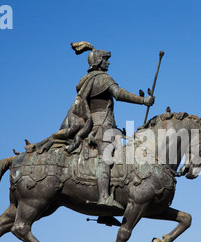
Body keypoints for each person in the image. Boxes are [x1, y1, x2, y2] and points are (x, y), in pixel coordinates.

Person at [29, 42, 154, 210]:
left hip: (99, 126)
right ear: (99, 61)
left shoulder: (87, 81)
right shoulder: (102, 78)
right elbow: (119, 94)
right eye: (106, 59)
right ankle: (103, 197)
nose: (108, 63)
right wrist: (143, 101)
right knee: (106, 158)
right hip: (101, 126)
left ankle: (108, 210)